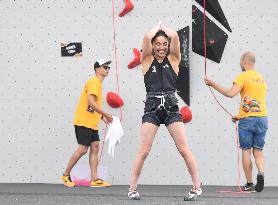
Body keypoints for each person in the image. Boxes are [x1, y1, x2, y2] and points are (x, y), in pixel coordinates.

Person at [128, 21, 202, 201]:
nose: (161, 47)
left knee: (183, 149)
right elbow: (146, 37)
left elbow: (175, 36)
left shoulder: (174, 59)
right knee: (144, 151)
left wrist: (164, 29)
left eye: (164, 44)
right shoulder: (146, 60)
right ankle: (132, 189)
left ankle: (197, 186)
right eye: (158, 44)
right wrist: (157, 28)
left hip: (171, 106)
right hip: (152, 106)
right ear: (152, 46)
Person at [204, 52, 268, 192]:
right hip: (262, 119)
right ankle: (261, 172)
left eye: (240, 62)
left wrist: (213, 84)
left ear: (245, 62)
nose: (240, 64)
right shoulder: (261, 79)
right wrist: (239, 115)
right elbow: (254, 105)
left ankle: (250, 183)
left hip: (247, 122)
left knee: (246, 150)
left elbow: (230, 93)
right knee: (258, 150)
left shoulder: (243, 76)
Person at [60, 59, 113, 187]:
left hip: (91, 122)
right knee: (83, 149)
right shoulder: (94, 82)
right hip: (84, 121)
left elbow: (92, 106)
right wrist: (106, 114)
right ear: (97, 69)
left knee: (95, 147)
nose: (107, 69)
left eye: (108, 67)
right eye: (104, 67)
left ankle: (94, 179)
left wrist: (101, 117)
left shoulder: (97, 84)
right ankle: (65, 175)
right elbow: (91, 102)